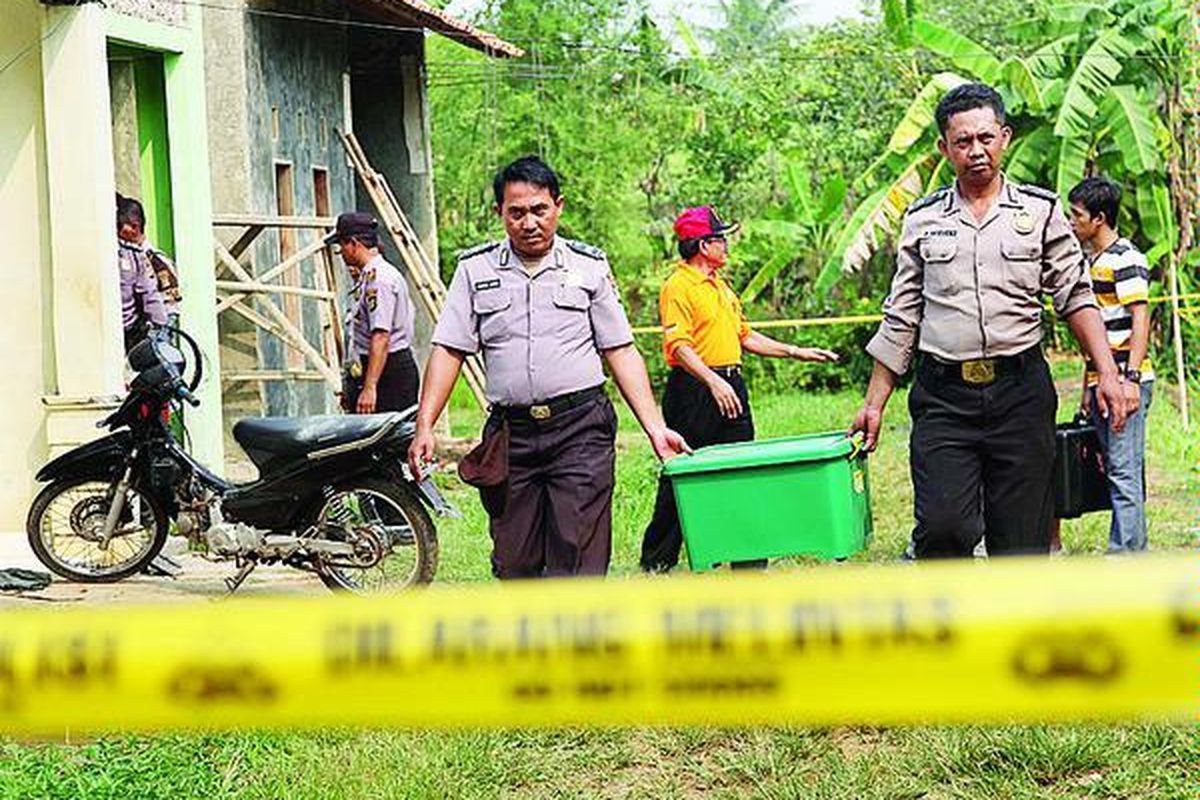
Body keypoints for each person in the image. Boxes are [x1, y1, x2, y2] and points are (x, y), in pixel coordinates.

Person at [848, 82, 1127, 560]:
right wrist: (874, 404)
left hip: (1020, 395)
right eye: (962, 141)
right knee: (943, 529)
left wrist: (1107, 373)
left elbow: (1076, 296)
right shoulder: (922, 220)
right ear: (944, 148)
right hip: (944, 398)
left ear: (1004, 138)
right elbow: (902, 315)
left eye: (985, 138)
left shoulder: (1040, 212)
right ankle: (950, 628)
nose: (975, 151)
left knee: (1021, 544)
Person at [407, 155, 689, 579]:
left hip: (580, 428)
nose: (529, 222)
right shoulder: (474, 270)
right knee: (514, 562)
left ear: (558, 205)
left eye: (539, 210)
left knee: (575, 552)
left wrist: (655, 426)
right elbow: (449, 349)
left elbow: (620, 350)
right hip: (510, 435)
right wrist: (425, 424)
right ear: (499, 213)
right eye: (516, 212)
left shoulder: (588, 267)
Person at [639, 206, 839, 573]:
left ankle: (747, 559)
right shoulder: (678, 286)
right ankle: (657, 560)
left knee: (743, 469)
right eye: (721, 239)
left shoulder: (721, 286)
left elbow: (743, 335)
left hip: (731, 383)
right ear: (702, 245)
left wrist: (796, 352)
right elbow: (679, 345)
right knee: (686, 471)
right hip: (695, 389)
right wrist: (712, 381)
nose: (727, 245)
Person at [1068, 175, 1154, 553]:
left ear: (1098, 219)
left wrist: (1130, 379)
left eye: (1077, 215)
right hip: (1103, 381)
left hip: (1124, 381)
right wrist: (1089, 387)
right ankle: (1136, 552)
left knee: (1122, 469)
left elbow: (1140, 317)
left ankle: (1123, 557)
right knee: (1122, 468)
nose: (1071, 222)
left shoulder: (1126, 258)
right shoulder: (1094, 261)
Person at [327, 212, 419, 414]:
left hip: (388, 373)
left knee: (386, 442)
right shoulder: (368, 277)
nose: (341, 252)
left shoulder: (380, 280)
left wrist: (370, 388)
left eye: (341, 246)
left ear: (353, 244)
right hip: (374, 369)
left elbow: (381, 337)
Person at [116, 196, 169, 353]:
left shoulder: (140, 254)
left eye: (135, 227)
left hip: (133, 329)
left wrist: (160, 328)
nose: (132, 231)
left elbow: (149, 293)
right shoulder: (129, 252)